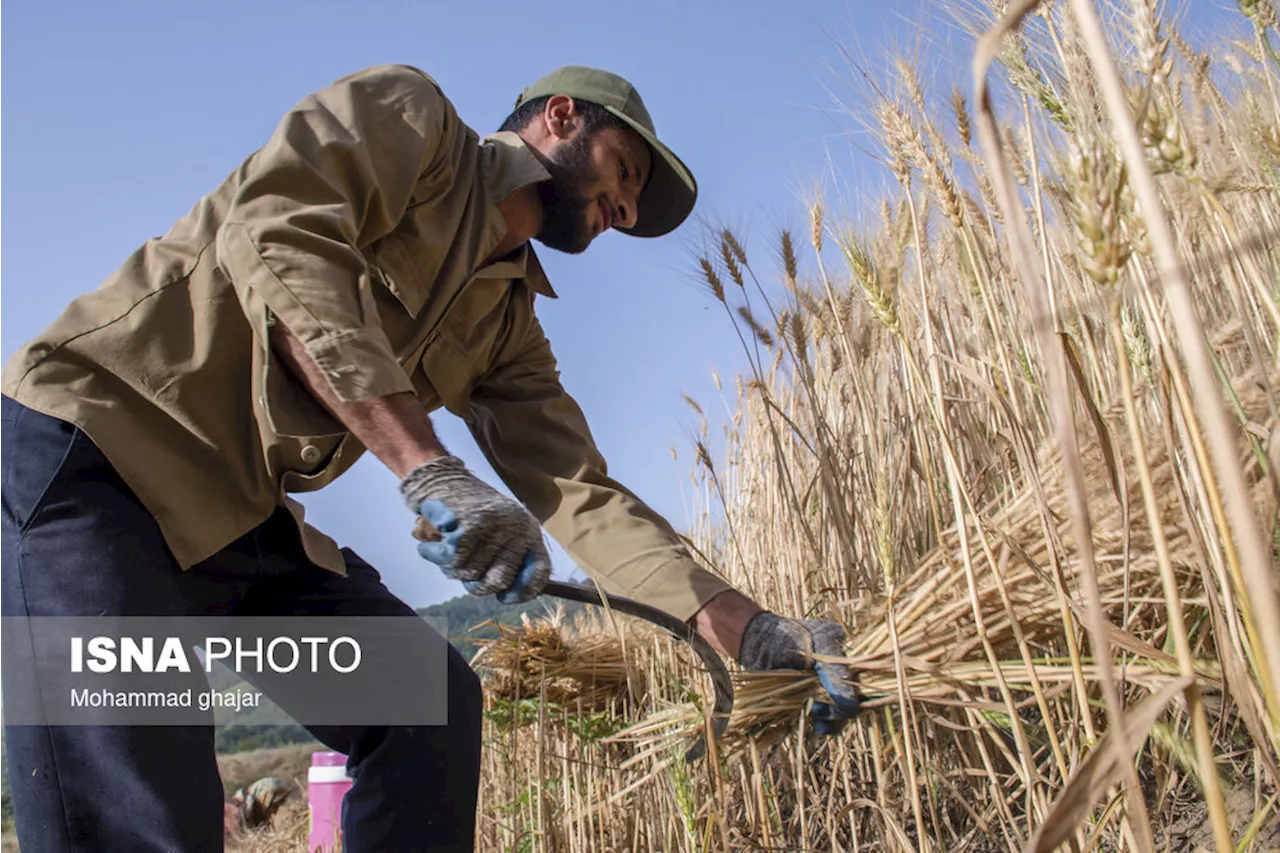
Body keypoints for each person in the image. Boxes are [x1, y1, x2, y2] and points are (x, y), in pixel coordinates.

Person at [0, 63, 860, 852]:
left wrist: (753, 631)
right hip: (95, 455)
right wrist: (428, 464)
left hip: (234, 525)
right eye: (624, 172)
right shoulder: (412, 124)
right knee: (143, 815)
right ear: (560, 116)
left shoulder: (508, 330)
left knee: (424, 702)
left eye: (632, 204)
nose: (625, 210)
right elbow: (280, 239)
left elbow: (581, 495)